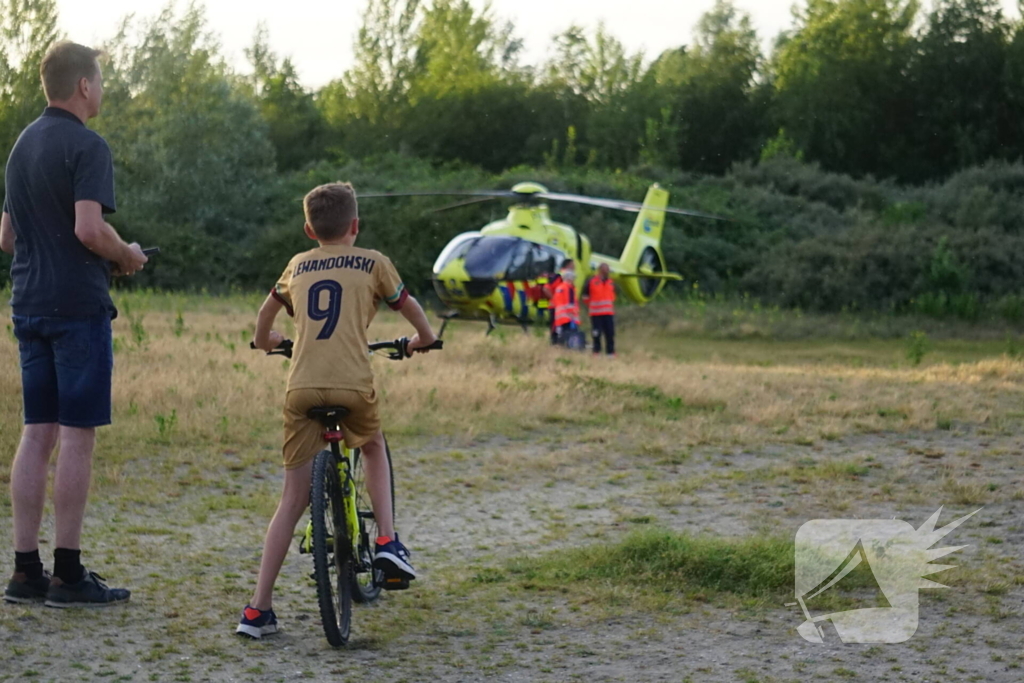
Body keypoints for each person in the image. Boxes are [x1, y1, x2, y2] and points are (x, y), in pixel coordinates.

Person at [238, 182, 438, 639]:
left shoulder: (296, 264)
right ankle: (387, 540)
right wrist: (421, 340)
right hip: (353, 386)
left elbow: (264, 315)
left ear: (309, 229)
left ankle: (256, 610)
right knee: (371, 445)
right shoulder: (373, 261)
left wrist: (266, 342)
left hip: (301, 389)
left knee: (291, 500)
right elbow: (411, 309)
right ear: (356, 225)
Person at [1, 42, 147, 607]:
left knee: (36, 433)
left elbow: (7, 239)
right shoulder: (88, 145)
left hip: (28, 304)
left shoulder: (21, 146)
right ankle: (67, 574)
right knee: (77, 436)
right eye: (101, 80)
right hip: (76, 310)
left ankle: (23, 571)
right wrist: (126, 254)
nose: (103, 89)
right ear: (84, 86)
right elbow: (90, 230)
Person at [582, 263, 616, 356]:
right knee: (596, 333)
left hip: (608, 313)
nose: (608, 271)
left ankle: (610, 352)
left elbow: (613, 295)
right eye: (606, 269)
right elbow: (585, 296)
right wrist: (591, 305)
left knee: (610, 333)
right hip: (596, 313)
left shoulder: (611, 282)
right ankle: (596, 351)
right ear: (601, 270)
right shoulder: (591, 282)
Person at [544, 259, 574, 345]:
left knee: (563, 328)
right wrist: (555, 299)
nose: (574, 267)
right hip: (556, 307)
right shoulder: (559, 276)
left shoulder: (568, 277)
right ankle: (555, 344)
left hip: (564, 309)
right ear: (568, 265)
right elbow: (546, 288)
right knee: (556, 327)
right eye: (572, 265)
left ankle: (561, 343)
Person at [551, 263, 581, 345]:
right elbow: (570, 304)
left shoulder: (559, 287)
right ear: (570, 278)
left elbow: (556, 301)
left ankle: (559, 346)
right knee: (569, 336)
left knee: (560, 334)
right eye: (573, 278)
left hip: (559, 316)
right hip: (568, 317)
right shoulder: (569, 288)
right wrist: (572, 315)